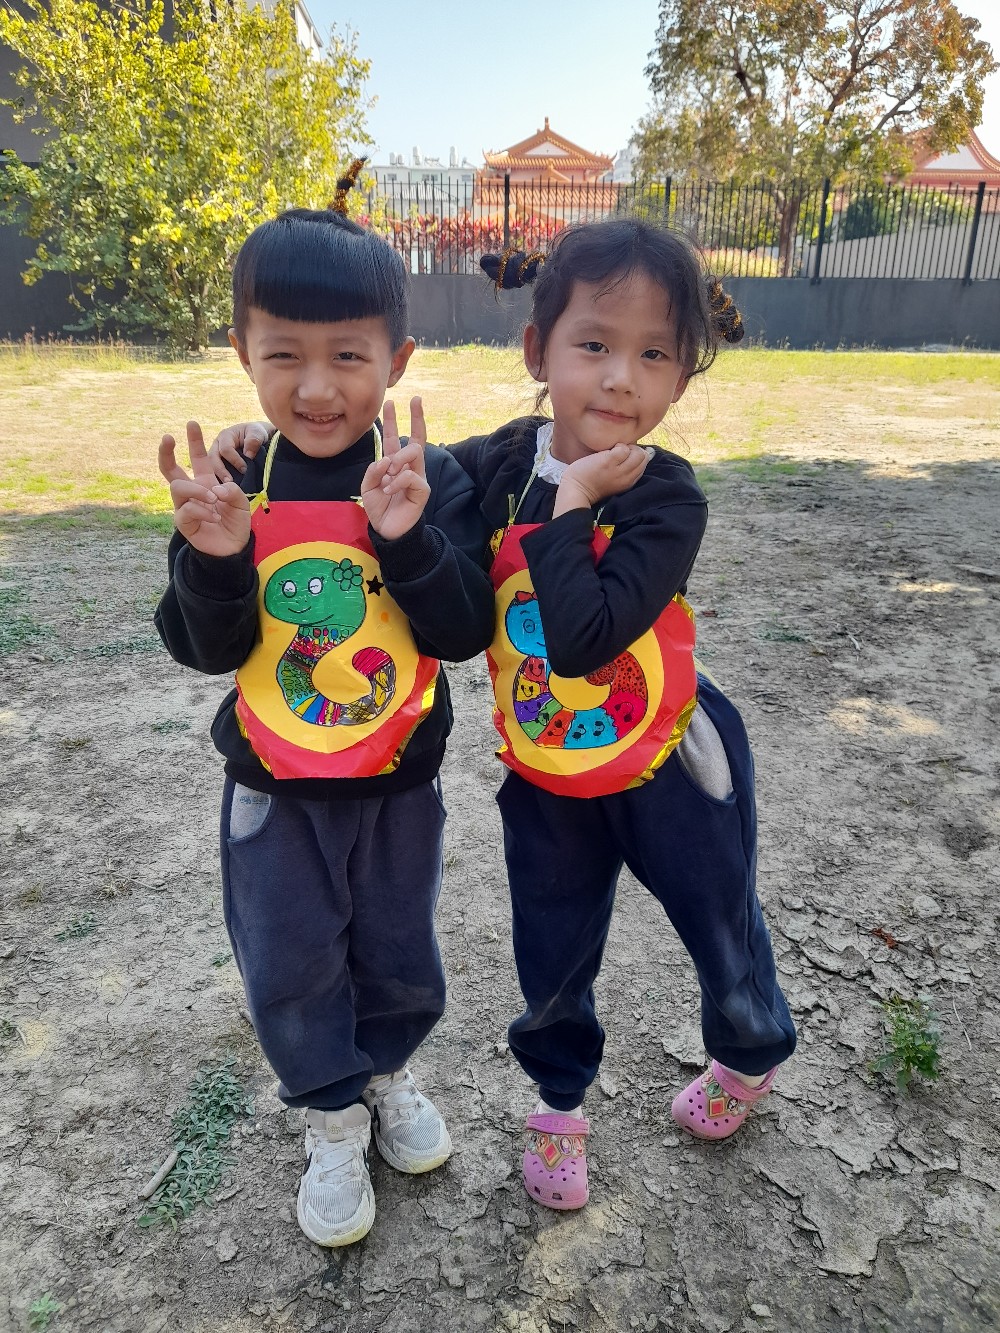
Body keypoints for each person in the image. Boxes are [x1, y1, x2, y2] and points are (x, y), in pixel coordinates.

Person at [209, 217, 797, 1215]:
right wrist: (264, 444)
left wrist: (570, 510)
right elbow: (368, 470)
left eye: (655, 355)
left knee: (719, 922)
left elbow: (583, 639)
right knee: (551, 944)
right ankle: (559, 1104)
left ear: (683, 377)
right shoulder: (499, 463)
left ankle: (748, 1050)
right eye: (594, 344)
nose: (619, 378)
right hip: (547, 769)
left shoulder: (666, 498)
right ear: (537, 350)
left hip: (670, 762)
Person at [153, 195, 496, 1247]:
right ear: (241, 352)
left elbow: (460, 630)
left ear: (398, 357)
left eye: (348, 356)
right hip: (274, 784)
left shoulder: (428, 476)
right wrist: (215, 558)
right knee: (289, 952)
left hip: (398, 781)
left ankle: (386, 1073)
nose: (315, 388)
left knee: (398, 942)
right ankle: (330, 1112)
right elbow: (201, 647)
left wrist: (409, 538)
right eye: (283, 355)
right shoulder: (234, 482)